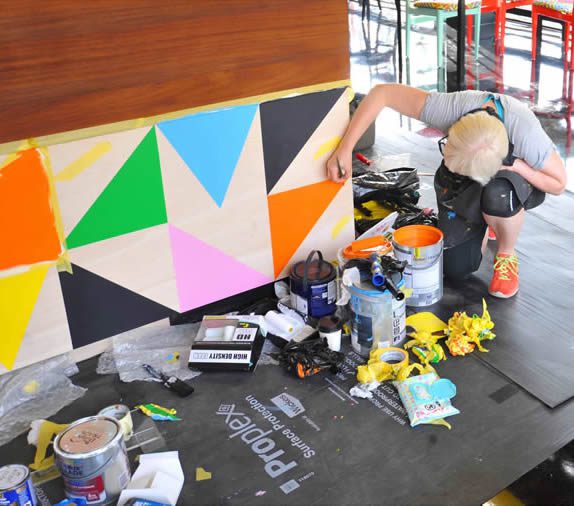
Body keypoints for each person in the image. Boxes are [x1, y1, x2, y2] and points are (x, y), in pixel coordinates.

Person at [326, 84, 567, 298]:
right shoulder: (448, 109)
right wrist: (345, 147)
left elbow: (558, 184)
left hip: (508, 174)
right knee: (456, 270)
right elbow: (382, 93)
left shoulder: (525, 132)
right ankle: (484, 221)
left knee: (498, 196)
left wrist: (517, 165)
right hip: (467, 173)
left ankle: (506, 251)